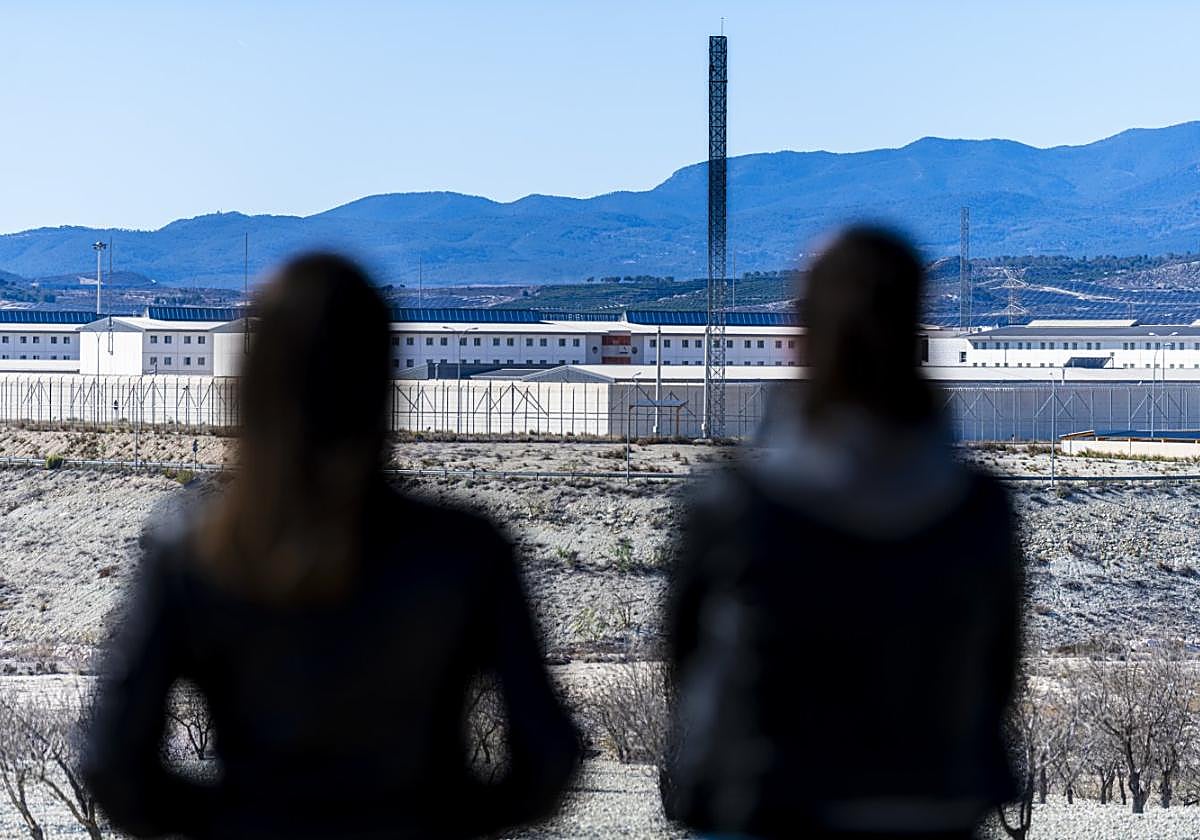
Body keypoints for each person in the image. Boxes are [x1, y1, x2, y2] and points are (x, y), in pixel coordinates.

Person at [84, 253, 579, 839]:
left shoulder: (196, 551)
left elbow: (112, 762)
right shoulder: (464, 552)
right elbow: (547, 756)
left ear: (251, 386)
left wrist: (239, 817)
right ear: (380, 381)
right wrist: (434, 815)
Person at [662, 227, 1022, 839]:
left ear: (801, 335)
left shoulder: (737, 507)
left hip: (765, 804)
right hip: (932, 803)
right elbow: (996, 673)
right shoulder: (978, 510)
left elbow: (686, 662)